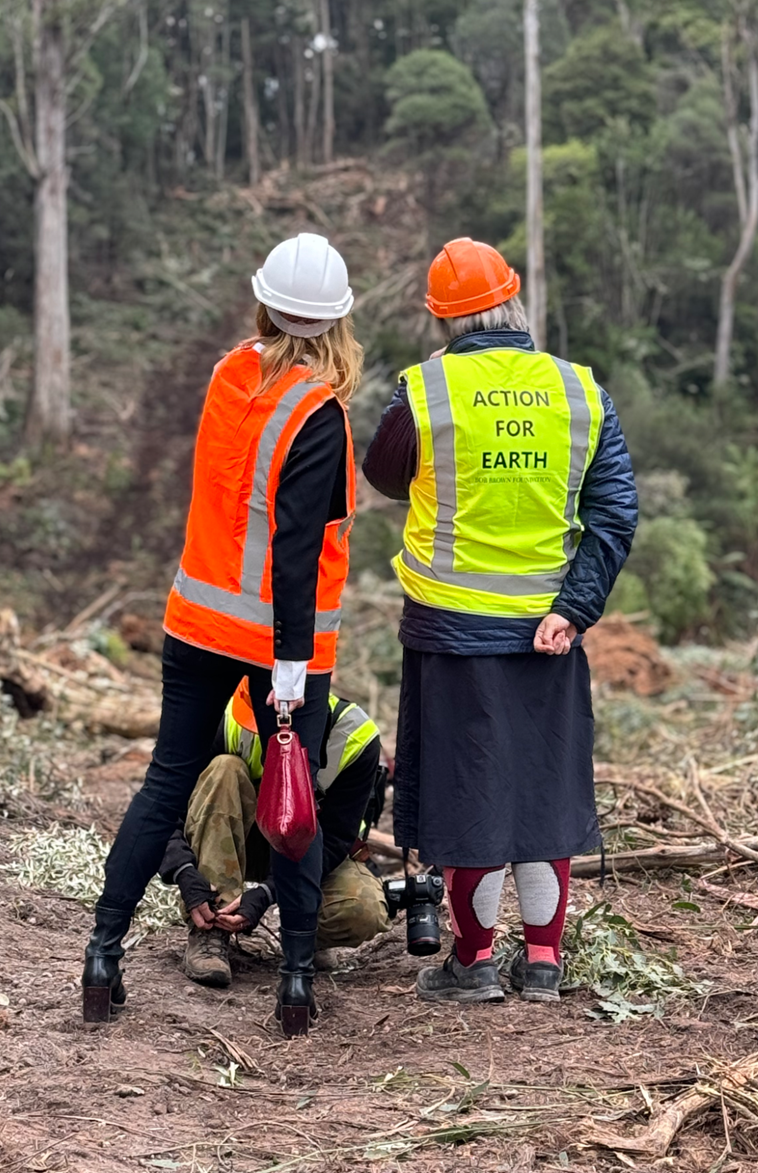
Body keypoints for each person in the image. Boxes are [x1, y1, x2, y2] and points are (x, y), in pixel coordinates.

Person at [82, 233, 363, 1036]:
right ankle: (298, 982)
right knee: (296, 800)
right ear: (338, 320)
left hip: (196, 623)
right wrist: (289, 664)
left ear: (266, 304)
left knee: (165, 782)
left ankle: (103, 954)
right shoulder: (320, 412)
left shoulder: (228, 373)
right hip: (279, 643)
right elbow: (298, 548)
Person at [363, 238, 637, 1005]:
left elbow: (383, 474)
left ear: (441, 317)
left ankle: (474, 962)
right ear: (517, 301)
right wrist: (574, 607)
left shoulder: (425, 392)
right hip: (549, 635)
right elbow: (615, 511)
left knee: (466, 790)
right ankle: (544, 963)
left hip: (452, 631)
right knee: (543, 789)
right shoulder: (581, 392)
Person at [159, 677, 390, 988]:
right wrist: (184, 870)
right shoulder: (222, 717)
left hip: (312, 849)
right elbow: (163, 809)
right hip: (236, 837)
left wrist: (268, 893)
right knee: (224, 770)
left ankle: (305, 932)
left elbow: (336, 839)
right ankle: (211, 929)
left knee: (362, 910)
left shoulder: (355, 738)